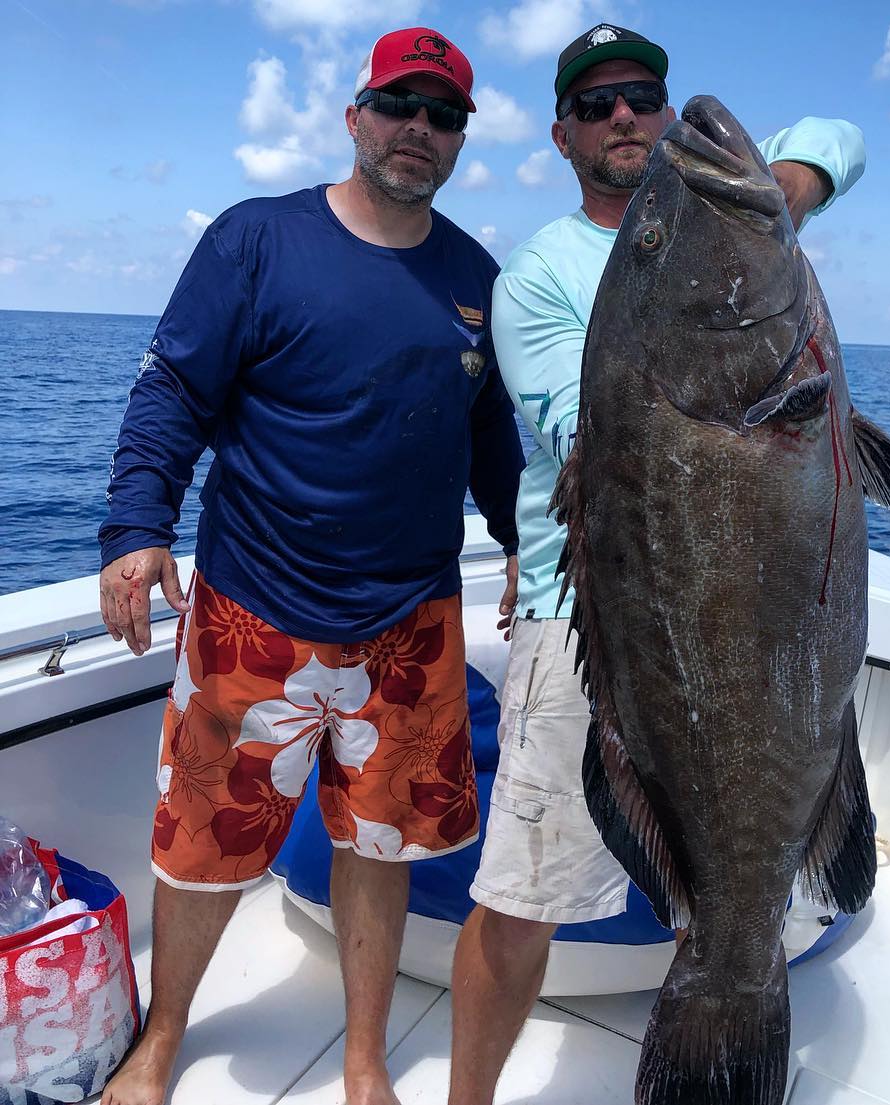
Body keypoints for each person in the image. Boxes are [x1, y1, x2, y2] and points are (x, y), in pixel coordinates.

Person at [97, 27, 524, 1105]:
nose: (418, 130)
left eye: (444, 115)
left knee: (379, 848)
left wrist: (532, 550)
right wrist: (136, 526)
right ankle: (163, 1039)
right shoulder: (255, 241)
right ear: (354, 115)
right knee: (202, 843)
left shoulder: (478, 279)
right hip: (255, 608)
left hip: (411, 622)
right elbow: (173, 396)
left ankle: (366, 1060)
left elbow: (495, 453)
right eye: (399, 105)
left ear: (462, 138)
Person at [447, 23, 867, 1105]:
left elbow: (843, 135)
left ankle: (736, 969)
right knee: (520, 896)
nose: (624, 116)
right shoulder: (542, 271)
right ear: (562, 136)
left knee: (762, 837)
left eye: (643, 96)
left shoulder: (716, 208)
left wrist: (784, 187)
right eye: (597, 106)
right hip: (587, 623)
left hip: (773, 621)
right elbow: (571, 426)